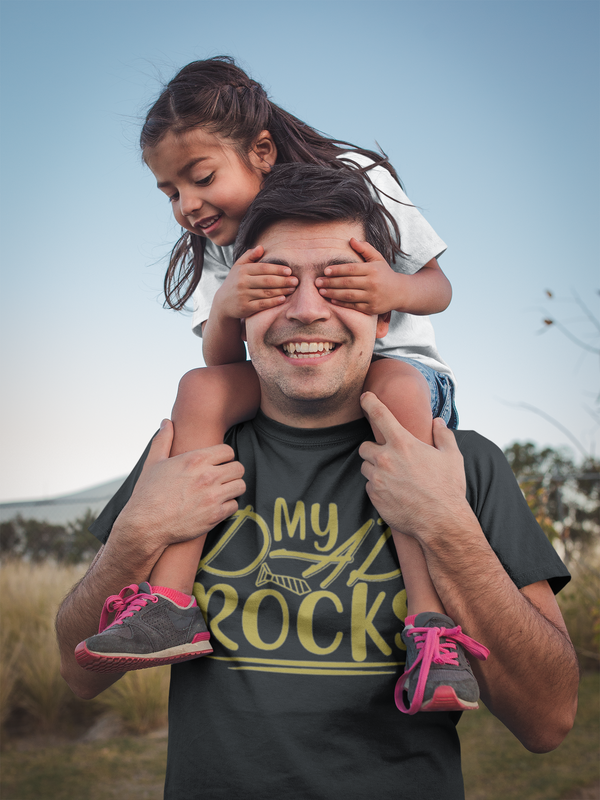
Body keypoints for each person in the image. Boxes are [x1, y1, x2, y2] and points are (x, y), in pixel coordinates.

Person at [57, 164, 578, 800]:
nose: (306, 311)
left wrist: (447, 525)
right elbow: (77, 674)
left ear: (385, 318)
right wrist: (136, 534)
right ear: (240, 311)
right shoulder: (187, 456)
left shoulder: (462, 464)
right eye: (276, 284)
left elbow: (550, 721)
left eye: (339, 283)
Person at [74, 58, 473, 713]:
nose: (188, 205)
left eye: (199, 178)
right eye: (170, 192)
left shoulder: (355, 177)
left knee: (395, 383)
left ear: (260, 150)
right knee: (199, 388)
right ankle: (169, 606)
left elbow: (438, 287)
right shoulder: (224, 243)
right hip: (293, 374)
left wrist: (390, 290)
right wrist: (229, 303)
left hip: (399, 371)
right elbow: (222, 357)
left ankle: (432, 634)